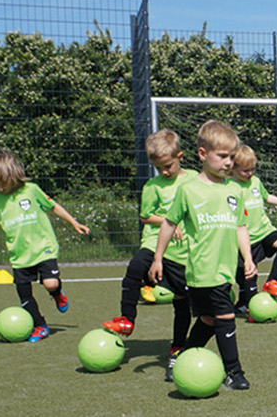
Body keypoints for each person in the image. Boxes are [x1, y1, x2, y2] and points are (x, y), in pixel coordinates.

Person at [152, 120, 258, 390]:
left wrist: (247, 258)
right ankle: (234, 372)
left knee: (209, 320)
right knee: (225, 317)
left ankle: (181, 360)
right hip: (202, 270)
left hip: (224, 270)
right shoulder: (187, 190)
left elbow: (240, 228)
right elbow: (168, 223)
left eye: (232, 157)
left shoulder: (234, 190)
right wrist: (157, 258)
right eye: (223, 156)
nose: (228, 163)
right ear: (202, 154)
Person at [0, 152, 90, 342]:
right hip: (19, 256)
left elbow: (53, 206)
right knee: (24, 294)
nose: (0, 187)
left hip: (43, 248)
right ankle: (40, 325)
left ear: (14, 175)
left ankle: (57, 293)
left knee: (50, 283)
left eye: (3, 181)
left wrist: (74, 223)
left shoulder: (31, 190)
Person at [102, 129, 196, 381]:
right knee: (134, 268)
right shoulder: (152, 186)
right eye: (158, 167)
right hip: (155, 243)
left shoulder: (195, 179)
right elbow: (145, 216)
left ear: (180, 156)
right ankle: (127, 319)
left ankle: (177, 345)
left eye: (168, 165)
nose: (164, 172)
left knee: (182, 300)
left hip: (185, 252)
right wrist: (169, 222)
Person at [231, 145, 277, 315]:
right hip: (246, 240)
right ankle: (246, 303)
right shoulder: (230, 189)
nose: (250, 174)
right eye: (245, 171)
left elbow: (266, 196)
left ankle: (271, 282)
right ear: (233, 168)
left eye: (253, 169)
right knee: (247, 278)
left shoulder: (255, 182)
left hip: (264, 232)